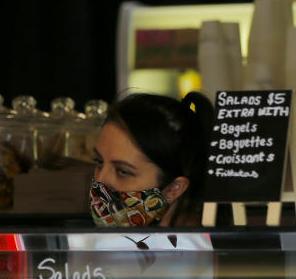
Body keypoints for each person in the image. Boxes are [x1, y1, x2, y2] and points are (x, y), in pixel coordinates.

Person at [90, 91, 213, 227]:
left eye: (123, 171)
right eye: (99, 162)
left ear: (174, 189)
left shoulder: (193, 247)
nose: (100, 179)